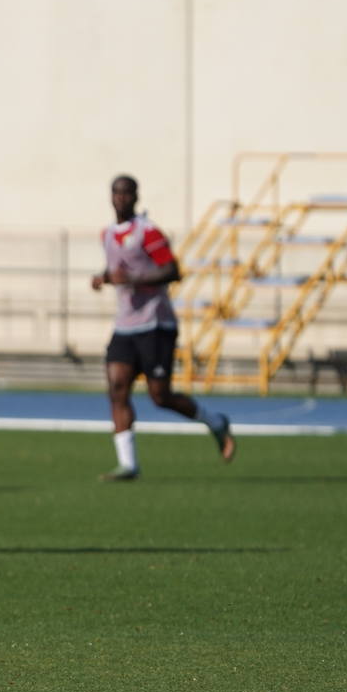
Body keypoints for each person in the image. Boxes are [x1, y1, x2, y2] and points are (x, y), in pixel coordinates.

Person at [91, 174, 235, 480]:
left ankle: (215, 422)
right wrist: (103, 278)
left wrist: (132, 280)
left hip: (155, 324)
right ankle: (129, 464)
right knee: (117, 389)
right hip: (125, 325)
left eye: (126, 193)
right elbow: (118, 269)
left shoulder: (148, 232)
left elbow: (172, 270)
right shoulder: (107, 234)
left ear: (136, 197)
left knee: (160, 396)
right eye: (116, 193)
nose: (120, 198)